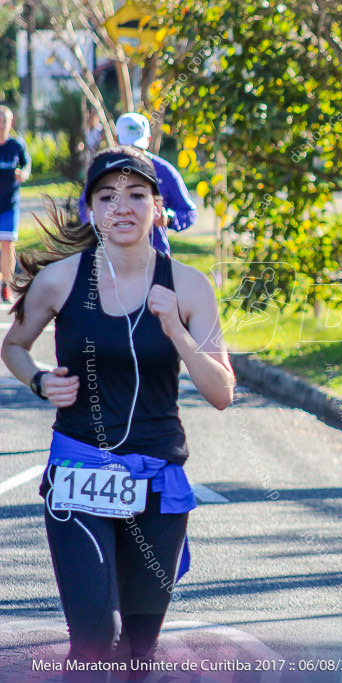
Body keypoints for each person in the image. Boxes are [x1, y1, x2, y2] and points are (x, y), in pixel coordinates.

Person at [1, 146, 234, 678]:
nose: (121, 208)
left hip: (157, 481)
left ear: (157, 205)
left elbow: (222, 392)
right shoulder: (60, 280)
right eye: (107, 197)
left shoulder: (190, 285)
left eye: (135, 195)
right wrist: (39, 380)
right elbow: (13, 345)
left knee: (138, 650)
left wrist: (175, 328)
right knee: (93, 640)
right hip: (79, 472)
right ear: (90, 209)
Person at [77, 113, 197, 255]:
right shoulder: (104, 171)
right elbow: (85, 207)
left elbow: (189, 212)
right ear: (116, 140)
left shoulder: (165, 172)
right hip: (112, 261)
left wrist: (169, 218)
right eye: (128, 147)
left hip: (155, 262)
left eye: (138, 148)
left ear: (148, 140)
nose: (134, 154)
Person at [0, 105, 31, 303]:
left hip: (9, 205)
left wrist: (24, 174)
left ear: (10, 124)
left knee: (7, 245)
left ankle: (7, 286)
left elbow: (27, 165)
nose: (1, 125)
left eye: (4, 121)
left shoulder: (16, 146)